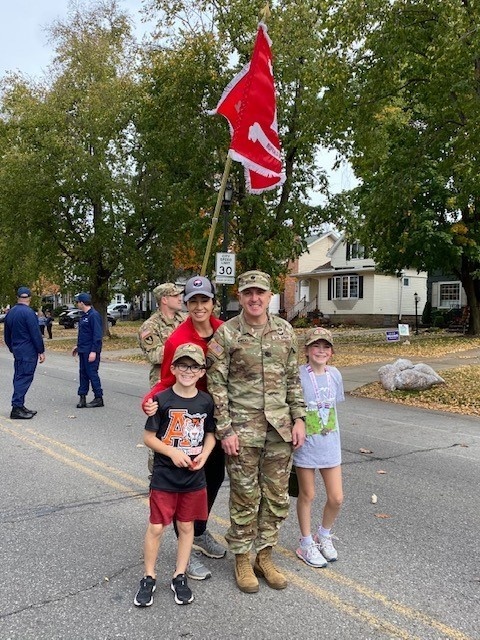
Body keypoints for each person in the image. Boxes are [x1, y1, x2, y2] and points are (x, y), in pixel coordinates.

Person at [206, 270, 306, 594]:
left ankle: (265, 556)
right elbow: (215, 384)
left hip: (279, 429)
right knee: (245, 496)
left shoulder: (285, 332)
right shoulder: (227, 334)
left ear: (269, 296)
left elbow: (293, 379)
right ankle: (242, 558)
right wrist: (225, 430)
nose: (254, 298)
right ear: (240, 296)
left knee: (276, 497)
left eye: (260, 293)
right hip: (242, 429)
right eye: (248, 292)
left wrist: (300, 418)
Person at [143, 275, 226, 581]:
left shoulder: (223, 331)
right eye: (193, 301)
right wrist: (150, 401)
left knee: (213, 477)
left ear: (213, 302)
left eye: (205, 300)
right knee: (184, 482)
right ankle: (185, 550)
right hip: (185, 420)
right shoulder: (178, 338)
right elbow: (166, 379)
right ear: (186, 304)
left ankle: (199, 532)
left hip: (215, 417)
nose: (199, 306)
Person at [134, 343, 216, 608]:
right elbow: (148, 437)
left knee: (186, 526)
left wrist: (204, 454)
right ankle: (149, 575)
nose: (188, 371)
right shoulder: (162, 400)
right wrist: (171, 452)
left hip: (194, 477)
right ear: (173, 368)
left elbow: (211, 434)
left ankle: (180, 575)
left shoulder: (206, 401)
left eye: (194, 366)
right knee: (157, 526)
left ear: (202, 371)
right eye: (182, 365)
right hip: (165, 474)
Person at [293, 327, 345, 568]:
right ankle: (305, 543)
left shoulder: (334, 375)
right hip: (307, 445)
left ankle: (323, 534)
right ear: (307, 350)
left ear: (331, 352)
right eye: (316, 346)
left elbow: (333, 406)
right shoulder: (298, 375)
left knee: (336, 498)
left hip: (330, 443)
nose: (321, 351)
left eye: (326, 347)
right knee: (308, 494)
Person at [4, 287, 46, 419]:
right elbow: (35, 334)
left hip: (18, 349)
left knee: (19, 376)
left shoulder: (10, 313)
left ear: (18, 297)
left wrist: (12, 347)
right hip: (28, 351)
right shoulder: (29, 313)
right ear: (29, 298)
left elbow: (7, 335)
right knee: (24, 378)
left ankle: (20, 405)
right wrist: (41, 350)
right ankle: (16, 408)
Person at [138, 283, 186, 388]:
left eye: (179, 295)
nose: (180, 299)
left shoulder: (186, 319)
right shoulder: (150, 327)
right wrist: (185, 348)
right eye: (175, 296)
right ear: (164, 300)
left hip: (187, 377)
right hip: (163, 380)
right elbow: (154, 356)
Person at [71, 293, 104, 408]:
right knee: (83, 374)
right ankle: (82, 397)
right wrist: (78, 346)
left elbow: (97, 335)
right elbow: (84, 335)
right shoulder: (84, 316)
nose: (77, 304)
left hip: (91, 351)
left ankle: (98, 397)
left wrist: (94, 351)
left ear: (82, 303)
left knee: (92, 374)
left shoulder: (93, 315)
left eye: (78, 302)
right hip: (83, 350)